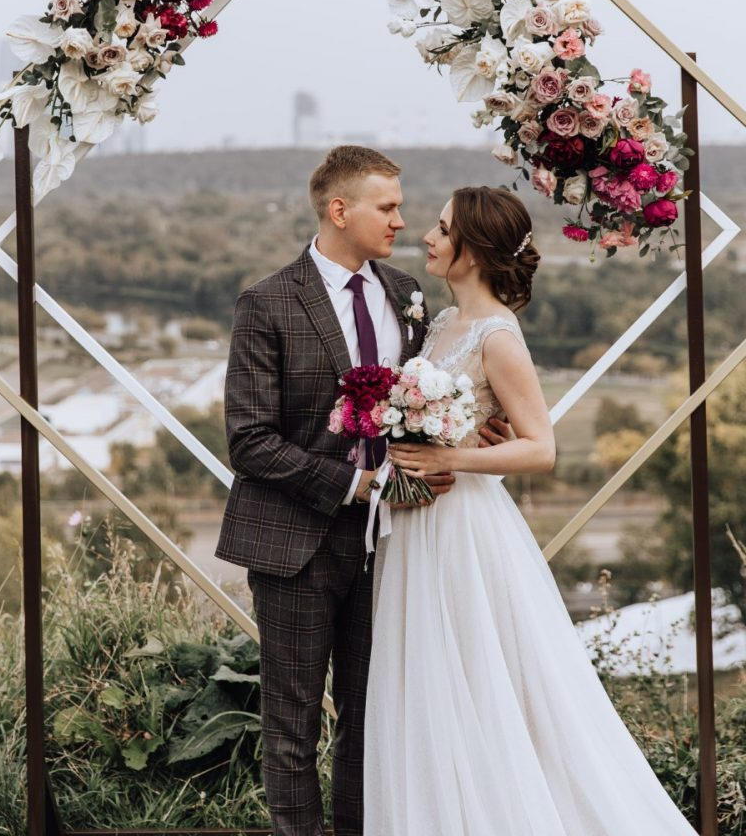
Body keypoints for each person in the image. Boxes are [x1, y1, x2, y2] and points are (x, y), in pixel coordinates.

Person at [363, 184, 698, 836]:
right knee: (428, 685)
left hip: (463, 529)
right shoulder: (437, 324)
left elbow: (540, 446)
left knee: (482, 677)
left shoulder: (497, 335)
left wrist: (449, 460)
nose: (427, 238)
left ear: (475, 249)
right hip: (418, 525)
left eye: (440, 228)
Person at [216, 145, 475, 836]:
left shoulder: (405, 298)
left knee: (370, 719)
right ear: (340, 209)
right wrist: (353, 483)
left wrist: (466, 438)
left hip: (389, 546)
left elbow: (420, 404)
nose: (400, 221)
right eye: (387, 207)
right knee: (292, 728)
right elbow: (248, 440)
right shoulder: (268, 301)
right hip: (294, 542)